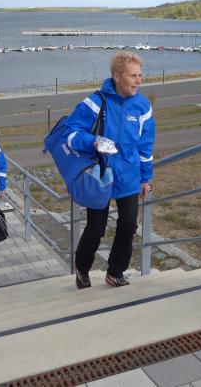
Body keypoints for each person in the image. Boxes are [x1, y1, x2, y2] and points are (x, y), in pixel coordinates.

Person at [64, 52, 155, 288]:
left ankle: (115, 272)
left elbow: (145, 146)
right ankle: (82, 268)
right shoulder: (95, 102)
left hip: (129, 176)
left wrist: (145, 178)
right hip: (100, 175)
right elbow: (70, 134)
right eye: (133, 76)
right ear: (117, 76)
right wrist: (93, 142)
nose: (138, 80)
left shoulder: (143, 106)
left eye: (140, 75)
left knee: (129, 225)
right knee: (96, 228)